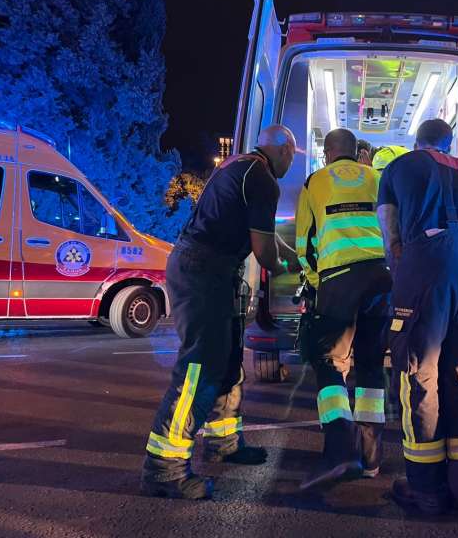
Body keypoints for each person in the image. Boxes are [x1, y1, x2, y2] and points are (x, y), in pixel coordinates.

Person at [140, 125, 300, 500]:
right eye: (293, 155)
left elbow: (260, 233)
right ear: (284, 150)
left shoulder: (238, 165)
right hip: (203, 272)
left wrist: (293, 257)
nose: (292, 163)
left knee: (228, 361)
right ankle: (163, 469)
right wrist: (285, 270)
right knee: (199, 368)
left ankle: (224, 442)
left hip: (206, 268)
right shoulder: (263, 178)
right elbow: (263, 252)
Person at [377, 119, 458, 520]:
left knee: (418, 372)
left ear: (417, 143)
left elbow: (389, 233)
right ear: (448, 144)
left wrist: (402, 279)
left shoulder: (400, 167)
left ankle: (426, 489)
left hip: (429, 261)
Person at [295, 128, 392, 490]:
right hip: (382, 280)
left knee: (330, 363)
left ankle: (339, 451)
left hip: (338, 280)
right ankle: (371, 457)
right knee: (370, 366)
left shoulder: (314, 182)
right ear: (358, 153)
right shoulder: (378, 178)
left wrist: (318, 284)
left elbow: (305, 243)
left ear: (327, 153)